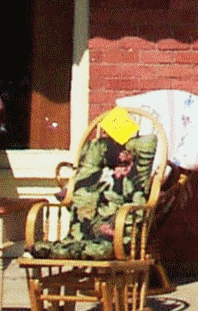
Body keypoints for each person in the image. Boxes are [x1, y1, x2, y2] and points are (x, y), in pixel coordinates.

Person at [31, 107, 159, 260]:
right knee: (39, 245)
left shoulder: (135, 166)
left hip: (115, 241)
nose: (105, 135)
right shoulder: (94, 153)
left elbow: (146, 146)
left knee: (100, 248)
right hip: (80, 237)